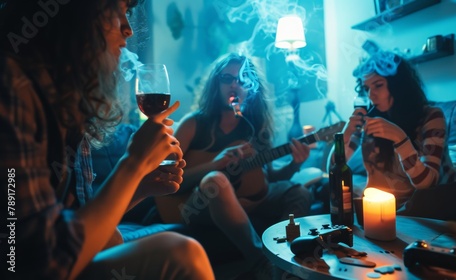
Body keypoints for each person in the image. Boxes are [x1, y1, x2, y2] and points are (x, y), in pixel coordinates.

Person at [0, 0, 214, 279]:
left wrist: (139, 187)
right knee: (181, 253)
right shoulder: (12, 87)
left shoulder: (66, 104)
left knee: (116, 238)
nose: (128, 30)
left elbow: (79, 223)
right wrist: (133, 163)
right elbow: (39, 263)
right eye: (117, 11)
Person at [335, 49, 456, 278]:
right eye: (366, 88)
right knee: (346, 195)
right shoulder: (370, 122)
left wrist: (399, 138)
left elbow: (426, 183)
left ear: (398, 85)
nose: (371, 94)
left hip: (442, 186)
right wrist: (345, 134)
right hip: (398, 201)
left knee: (433, 195)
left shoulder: (431, 116)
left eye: (378, 85)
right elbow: (333, 172)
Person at [165, 52, 312, 277]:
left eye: (242, 80)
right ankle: (263, 262)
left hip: (246, 202)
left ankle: (284, 257)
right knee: (217, 180)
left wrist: (294, 164)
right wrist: (214, 164)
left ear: (251, 87)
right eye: (227, 79)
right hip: (195, 205)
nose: (235, 85)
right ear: (216, 84)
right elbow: (165, 178)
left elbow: (269, 178)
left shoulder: (255, 127)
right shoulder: (194, 124)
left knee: (300, 192)